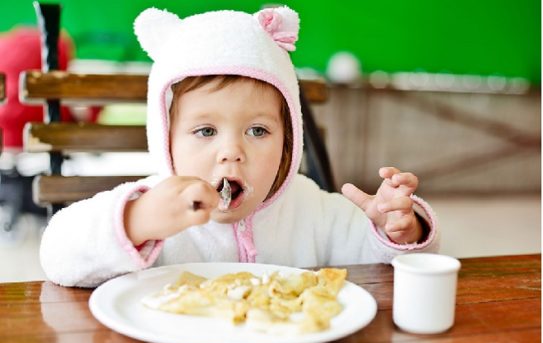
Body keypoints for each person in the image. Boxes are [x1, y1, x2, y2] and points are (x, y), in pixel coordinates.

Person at [40, 6, 440, 288]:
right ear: (166, 141)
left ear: (289, 141)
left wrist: (397, 229)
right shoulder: (154, 209)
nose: (231, 152)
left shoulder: (314, 209)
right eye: (205, 131)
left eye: (258, 131)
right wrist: (136, 221)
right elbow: (58, 257)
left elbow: (395, 270)